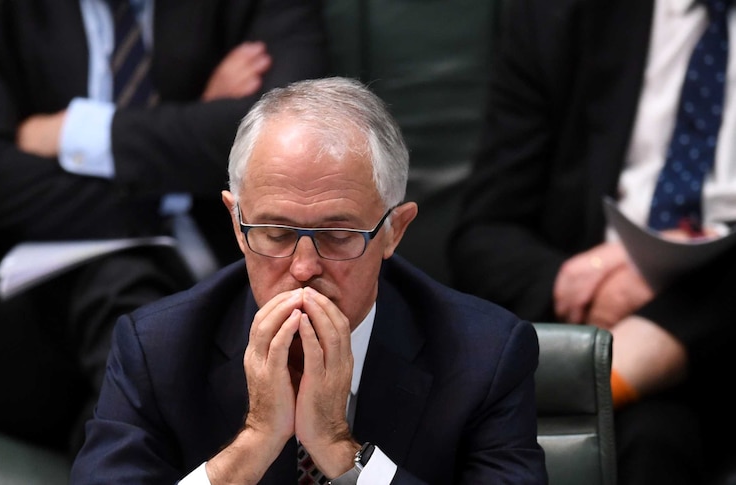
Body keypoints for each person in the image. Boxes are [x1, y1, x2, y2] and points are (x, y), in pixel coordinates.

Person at [70, 77, 547, 484]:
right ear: (237, 225)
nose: (302, 268)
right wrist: (254, 441)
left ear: (394, 231)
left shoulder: (485, 356)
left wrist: (340, 450)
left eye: (338, 236)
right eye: (275, 234)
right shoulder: (156, 348)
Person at [0, 0, 327, 455]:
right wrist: (188, 151)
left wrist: (73, 132)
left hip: (208, 294)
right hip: (21, 313)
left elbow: (294, 141)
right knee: (129, 298)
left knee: (165, 336)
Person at [447, 0, 736, 483]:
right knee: (650, 439)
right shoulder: (559, 16)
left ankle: (623, 362)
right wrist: (584, 282)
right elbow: (483, 235)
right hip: (603, 317)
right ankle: (623, 364)